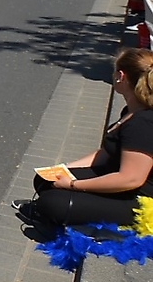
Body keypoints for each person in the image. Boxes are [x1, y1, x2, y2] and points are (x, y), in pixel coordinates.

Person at [14, 48, 153, 232]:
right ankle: (55, 213)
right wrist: (64, 169)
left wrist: (73, 185)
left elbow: (130, 179)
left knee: (53, 203)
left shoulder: (143, 123)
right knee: (44, 180)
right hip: (118, 180)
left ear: (121, 76)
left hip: (137, 198)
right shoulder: (130, 111)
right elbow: (105, 154)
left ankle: (86, 226)